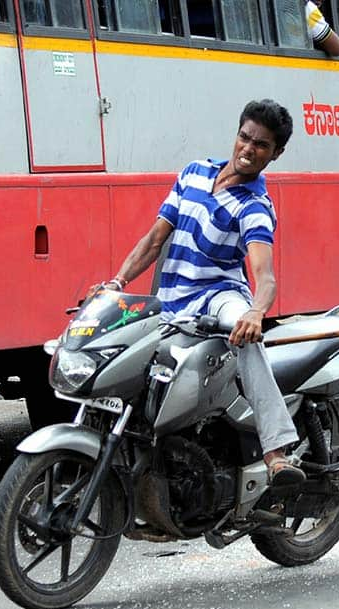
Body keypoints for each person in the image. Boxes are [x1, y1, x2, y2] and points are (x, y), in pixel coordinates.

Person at [100, 99, 305, 486]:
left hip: (218, 296)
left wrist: (255, 313)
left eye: (261, 145)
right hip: (170, 302)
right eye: (245, 137)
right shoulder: (195, 173)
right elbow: (152, 241)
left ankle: (276, 450)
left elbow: (265, 277)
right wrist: (116, 284)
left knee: (243, 336)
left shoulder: (254, 206)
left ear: (276, 154)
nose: (248, 149)